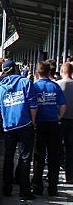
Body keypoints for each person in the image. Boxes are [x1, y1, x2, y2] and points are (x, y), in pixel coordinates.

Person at [0, 59, 38, 199]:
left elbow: (1, 109)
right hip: (25, 124)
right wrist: (33, 122)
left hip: (9, 126)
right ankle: (24, 190)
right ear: (16, 69)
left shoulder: (1, 89)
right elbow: (33, 106)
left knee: (8, 157)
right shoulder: (26, 83)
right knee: (25, 157)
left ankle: (6, 188)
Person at [32, 61, 66, 196]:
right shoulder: (55, 86)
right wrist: (58, 117)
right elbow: (63, 105)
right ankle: (53, 187)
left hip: (39, 124)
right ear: (49, 72)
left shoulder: (34, 87)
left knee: (38, 156)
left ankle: (37, 186)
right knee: (53, 156)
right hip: (53, 124)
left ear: (37, 72)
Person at [58, 62, 73, 183]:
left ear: (62, 71)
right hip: (72, 121)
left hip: (59, 120)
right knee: (70, 149)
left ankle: (54, 173)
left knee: (56, 148)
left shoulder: (57, 85)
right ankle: (70, 176)